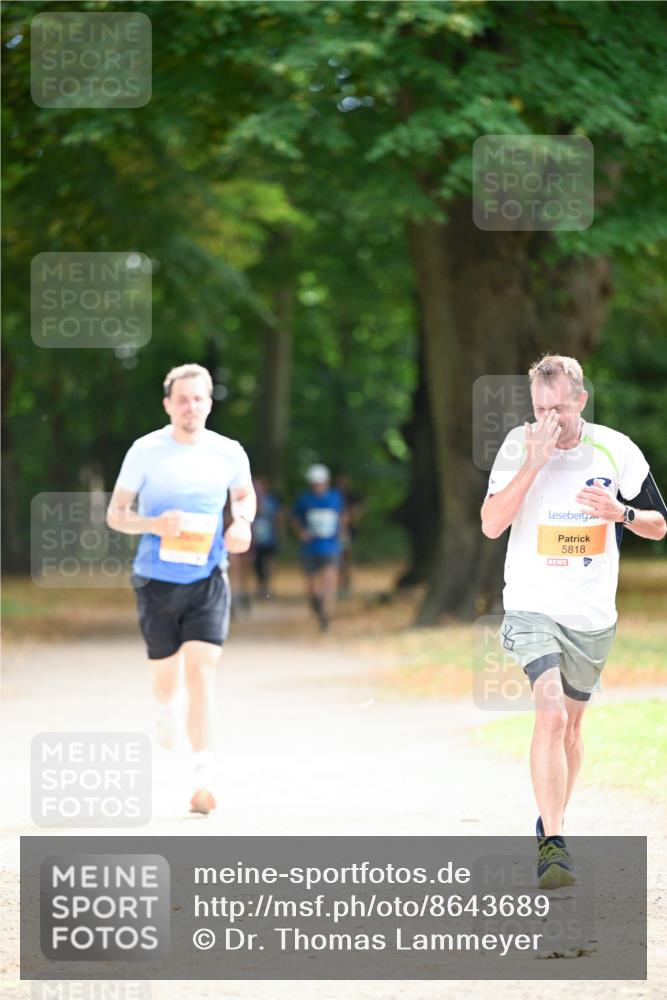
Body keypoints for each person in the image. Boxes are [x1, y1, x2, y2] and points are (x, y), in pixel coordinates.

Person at [481, 354, 666, 889]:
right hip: (532, 605)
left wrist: (620, 513)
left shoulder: (616, 449)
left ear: (580, 401)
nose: (549, 420)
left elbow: (658, 524)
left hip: (591, 615)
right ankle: (554, 845)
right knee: (551, 714)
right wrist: (533, 464)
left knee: (573, 728)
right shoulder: (520, 445)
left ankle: (550, 818)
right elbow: (492, 524)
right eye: (540, 409)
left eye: (558, 408)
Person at [107, 363, 256, 815]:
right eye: (183, 399)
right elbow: (116, 513)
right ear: (168, 404)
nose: (191, 407)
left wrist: (242, 523)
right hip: (156, 581)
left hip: (208, 578)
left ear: (209, 403)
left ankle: (202, 778)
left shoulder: (228, 452)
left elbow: (244, 496)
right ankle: (166, 706)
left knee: (202, 675)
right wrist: (153, 523)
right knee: (167, 682)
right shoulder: (145, 451)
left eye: (199, 398)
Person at [291, 464, 346, 632]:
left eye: (320, 483)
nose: (318, 487)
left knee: (330, 578)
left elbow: (343, 516)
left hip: (330, 546)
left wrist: (342, 534)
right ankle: (316, 603)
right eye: (315, 484)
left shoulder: (335, 498)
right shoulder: (304, 499)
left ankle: (327, 614)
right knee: (312, 583)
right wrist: (301, 532)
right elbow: (294, 518)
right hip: (310, 548)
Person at [251, 475, 282, 598]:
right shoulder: (252, 500)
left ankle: (268, 586)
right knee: (257, 564)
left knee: (269, 562)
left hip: (270, 538)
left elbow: (278, 517)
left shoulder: (272, 500)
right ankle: (261, 586)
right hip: (257, 540)